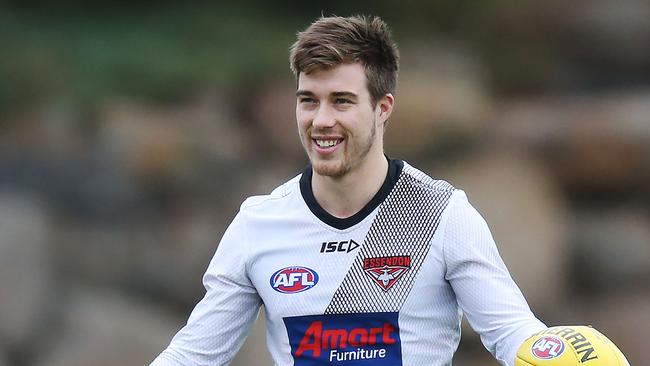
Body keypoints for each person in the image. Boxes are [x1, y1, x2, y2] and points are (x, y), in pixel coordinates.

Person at [150, 15, 546, 366]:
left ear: (383, 107)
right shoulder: (259, 223)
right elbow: (194, 355)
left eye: (342, 101)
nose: (321, 120)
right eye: (309, 101)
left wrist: (561, 354)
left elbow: (513, 334)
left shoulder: (441, 214)